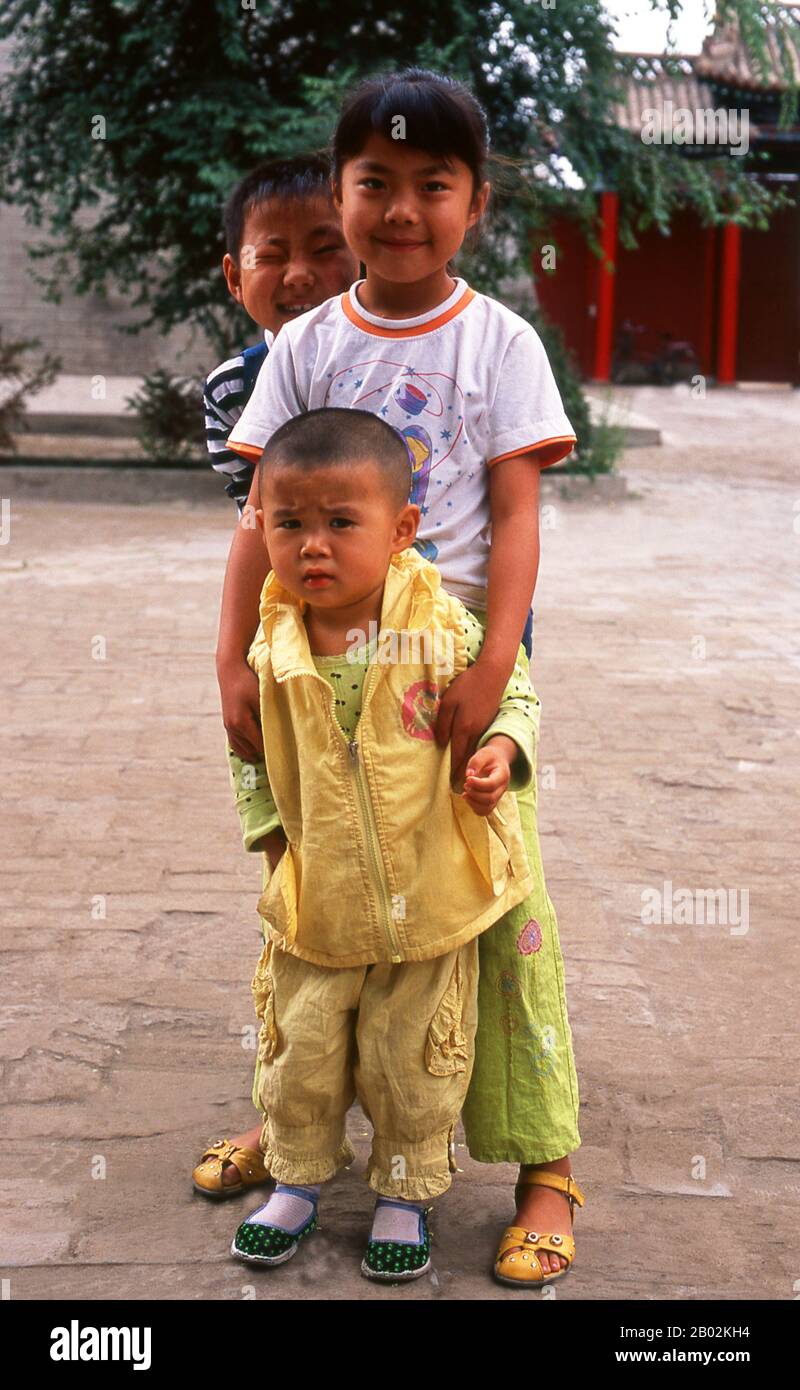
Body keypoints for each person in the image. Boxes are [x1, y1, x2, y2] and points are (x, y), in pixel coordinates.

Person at [221, 68, 586, 1286]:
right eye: (373, 181)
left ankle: (545, 1170)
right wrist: (230, 656)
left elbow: (521, 521)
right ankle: (296, 1133)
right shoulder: (304, 344)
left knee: (494, 915)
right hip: (316, 665)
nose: (399, 208)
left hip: (456, 666)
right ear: (341, 192)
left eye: (433, 184)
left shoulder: (500, 341)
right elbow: (249, 521)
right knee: (317, 898)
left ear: (473, 202)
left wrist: (494, 665)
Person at [227, 406, 539, 1280]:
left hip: (429, 896)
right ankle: (295, 1184)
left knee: (416, 1061)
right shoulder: (275, 641)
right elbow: (248, 756)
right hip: (317, 899)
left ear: (402, 528)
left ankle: (405, 1197)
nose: (311, 547)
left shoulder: (441, 627)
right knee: (302, 1052)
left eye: (339, 523)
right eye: (288, 524)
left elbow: (513, 693)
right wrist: (270, 843)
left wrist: (499, 752)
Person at [192, 155, 357, 1199]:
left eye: (320, 247)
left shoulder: (405, 359)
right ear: (232, 272)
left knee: (422, 886)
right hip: (291, 663)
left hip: (407, 665)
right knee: (298, 886)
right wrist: (234, 659)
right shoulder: (230, 389)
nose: (296, 271)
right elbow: (260, 525)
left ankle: (417, 1093)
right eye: (271, 253)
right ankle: (291, 1106)